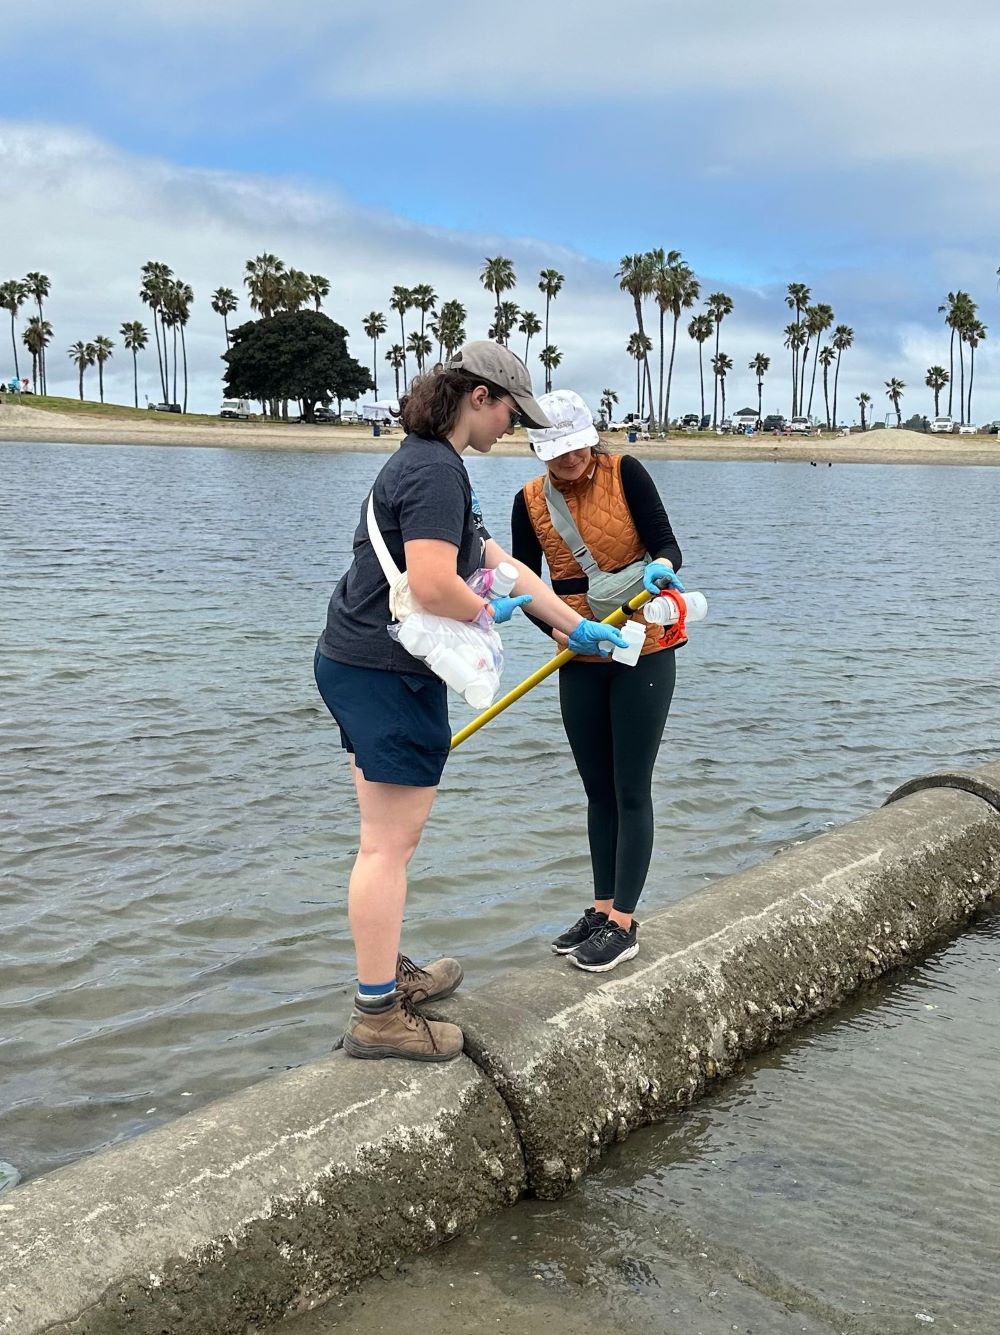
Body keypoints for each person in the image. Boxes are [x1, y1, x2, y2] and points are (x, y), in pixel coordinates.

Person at [315, 346, 627, 1062]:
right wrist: (489, 611)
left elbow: (495, 560)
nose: (513, 428)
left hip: (361, 659)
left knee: (385, 839)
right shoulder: (433, 470)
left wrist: (570, 623)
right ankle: (377, 1015)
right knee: (387, 845)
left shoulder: (431, 460)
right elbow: (433, 586)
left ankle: (384, 971)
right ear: (480, 397)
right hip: (384, 672)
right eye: (511, 412)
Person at [510, 389, 684, 973]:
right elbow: (522, 585)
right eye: (555, 451)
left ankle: (625, 922)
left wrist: (661, 569)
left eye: (576, 447)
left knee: (631, 784)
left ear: (591, 438)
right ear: (538, 450)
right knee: (596, 788)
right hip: (578, 651)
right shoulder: (529, 500)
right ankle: (601, 905)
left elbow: (667, 545)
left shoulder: (625, 472)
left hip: (642, 645)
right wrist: (558, 635)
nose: (568, 460)